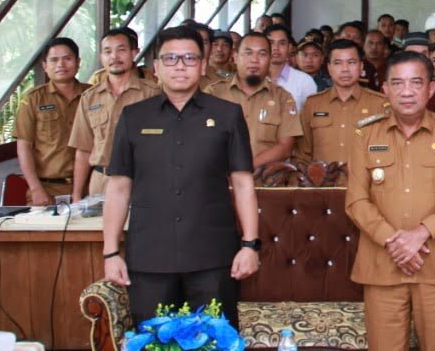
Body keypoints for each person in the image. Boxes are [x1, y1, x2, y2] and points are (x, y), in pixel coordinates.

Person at [101, 25, 260, 328]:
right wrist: (111, 251)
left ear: (202, 66)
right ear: (156, 67)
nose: (180, 66)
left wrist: (250, 245)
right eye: (170, 59)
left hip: (212, 257)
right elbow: (119, 187)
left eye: (189, 59)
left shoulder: (228, 114)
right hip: (150, 257)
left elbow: (242, 184)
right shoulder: (134, 117)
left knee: (215, 344)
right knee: (154, 343)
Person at [346, 51, 435, 351]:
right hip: (382, 265)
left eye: (416, 83)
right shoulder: (365, 134)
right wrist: (395, 242)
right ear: (385, 89)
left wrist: (420, 234)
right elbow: (356, 199)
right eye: (398, 83)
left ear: (431, 89)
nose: (407, 91)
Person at [70, 28, 161, 200]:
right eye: (107, 51)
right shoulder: (89, 98)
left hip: (141, 180)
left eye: (121, 50)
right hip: (100, 181)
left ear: (134, 53)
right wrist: (76, 195)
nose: (114, 56)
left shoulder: (152, 93)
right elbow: (83, 150)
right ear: (101, 57)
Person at [205, 32, 303, 169]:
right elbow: (201, 140)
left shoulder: (283, 98)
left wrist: (245, 168)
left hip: (265, 182)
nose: (254, 60)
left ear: (269, 59)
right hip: (220, 181)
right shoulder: (213, 93)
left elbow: (285, 147)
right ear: (235, 57)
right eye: (248, 53)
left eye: (262, 54)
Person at [14, 38, 89, 205]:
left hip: (90, 187)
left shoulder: (93, 96)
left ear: (78, 62)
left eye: (67, 59)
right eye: (54, 60)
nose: (60, 65)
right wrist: (35, 189)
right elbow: (24, 146)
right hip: (47, 188)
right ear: (45, 66)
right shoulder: (33, 100)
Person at [293, 39, 386, 165]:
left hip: (366, 183)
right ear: (329, 68)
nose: (345, 69)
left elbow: (386, 150)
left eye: (351, 62)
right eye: (338, 63)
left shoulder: (379, 104)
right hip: (322, 183)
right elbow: (302, 155)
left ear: (361, 66)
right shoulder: (313, 104)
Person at [265, 24, 318, 109]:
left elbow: (311, 119)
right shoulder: (256, 79)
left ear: (289, 47)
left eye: (282, 43)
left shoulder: (304, 81)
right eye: (271, 43)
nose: (276, 48)